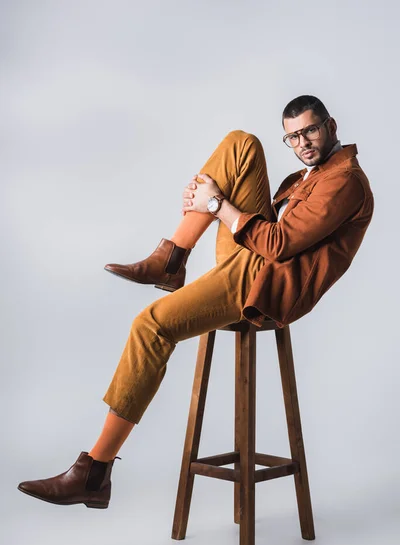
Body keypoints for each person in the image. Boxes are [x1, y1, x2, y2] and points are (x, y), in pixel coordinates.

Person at [17, 94, 374, 510]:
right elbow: (264, 230)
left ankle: (94, 471)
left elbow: (278, 244)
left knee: (150, 324)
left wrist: (215, 203)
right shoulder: (308, 176)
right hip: (254, 261)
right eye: (293, 137)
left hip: (265, 284)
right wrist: (210, 198)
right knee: (241, 143)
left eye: (310, 131)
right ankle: (173, 257)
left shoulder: (343, 180)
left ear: (330, 125)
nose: (303, 143)